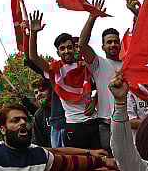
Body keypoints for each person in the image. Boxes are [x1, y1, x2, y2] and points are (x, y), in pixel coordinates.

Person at [26, 12, 100, 149]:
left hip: (93, 122)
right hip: (73, 125)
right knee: (80, 164)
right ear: (58, 53)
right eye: (62, 48)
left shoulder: (86, 66)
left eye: (69, 47)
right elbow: (34, 58)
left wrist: (95, 101)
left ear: (74, 48)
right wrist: (33, 33)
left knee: (100, 161)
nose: (66, 51)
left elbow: (103, 86)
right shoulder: (54, 70)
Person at [78, 0, 140, 152]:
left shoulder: (129, 63)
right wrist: (92, 17)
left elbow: (142, 38)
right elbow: (82, 44)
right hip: (107, 125)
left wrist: (136, 13)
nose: (113, 45)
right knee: (112, 165)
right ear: (103, 47)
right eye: (109, 42)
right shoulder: (98, 64)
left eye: (116, 42)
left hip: (131, 124)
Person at [31, 77, 52, 148]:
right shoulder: (38, 115)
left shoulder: (64, 107)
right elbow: (41, 144)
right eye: (36, 93)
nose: (38, 94)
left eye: (42, 90)